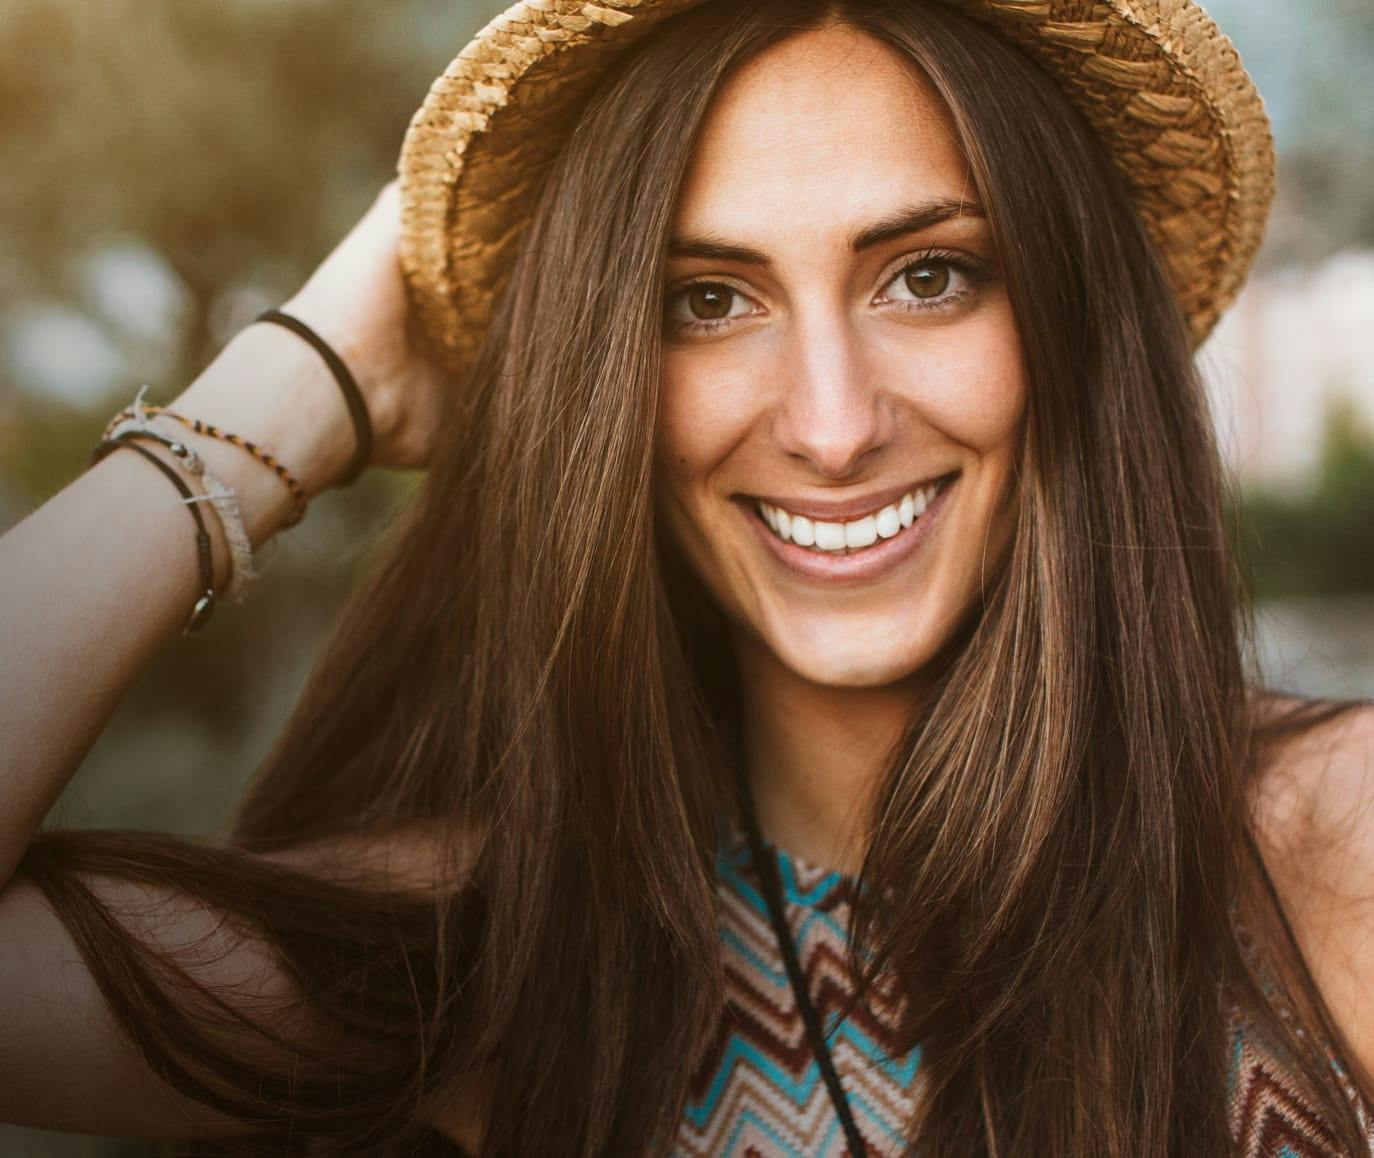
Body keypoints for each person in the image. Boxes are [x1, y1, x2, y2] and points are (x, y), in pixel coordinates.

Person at [1, 0, 1372, 1153]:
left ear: (1072, 318)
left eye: (931, 276)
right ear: (608, 375)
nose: (830, 425)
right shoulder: (499, 954)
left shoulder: (1324, 851)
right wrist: (292, 396)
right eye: (704, 302)